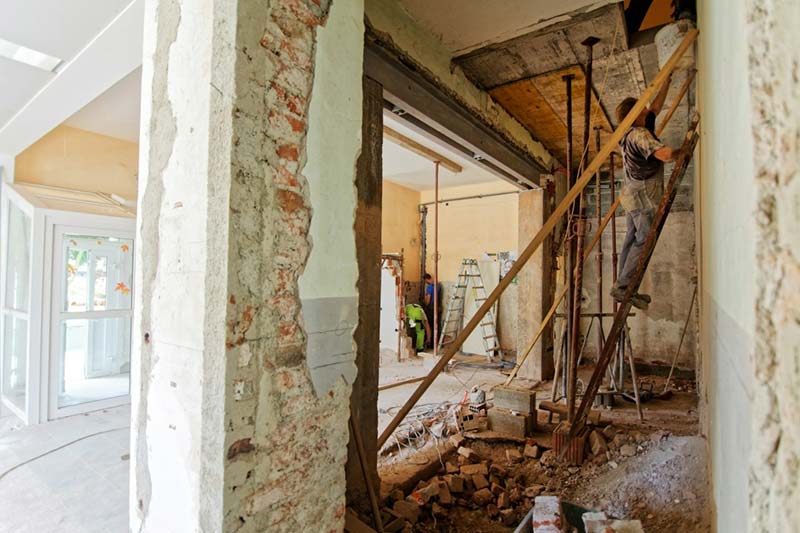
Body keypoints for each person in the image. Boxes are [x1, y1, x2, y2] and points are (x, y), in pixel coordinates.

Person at [611, 78, 682, 310]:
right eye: (641, 107)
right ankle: (623, 287)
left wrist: (666, 81)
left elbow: (655, 108)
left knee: (631, 239)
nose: (645, 108)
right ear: (635, 114)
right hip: (641, 195)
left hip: (631, 193)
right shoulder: (639, 134)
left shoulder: (638, 126)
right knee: (643, 240)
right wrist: (685, 149)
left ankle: (623, 286)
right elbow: (665, 155)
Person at [423, 273, 441, 347]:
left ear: (426, 279)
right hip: (438, 307)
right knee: (436, 324)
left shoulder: (430, 287)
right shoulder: (439, 286)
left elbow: (428, 299)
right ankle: (437, 342)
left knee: (429, 325)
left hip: (431, 308)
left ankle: (431, 343)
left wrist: (425, 305)